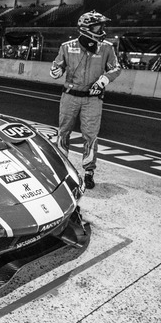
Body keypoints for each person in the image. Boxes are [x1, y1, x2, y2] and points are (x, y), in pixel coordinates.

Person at [49, 10, 121, 190]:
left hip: (93, 99)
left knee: (90, 135)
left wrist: (105, 79)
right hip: (69, 96)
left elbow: (116, 68)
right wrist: (55, 71)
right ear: (85, 28)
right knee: (63, 131)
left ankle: (89, 171)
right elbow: (57, 65)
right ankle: (61, 167)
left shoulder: (107, 48)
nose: (102, 29)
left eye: (102, 25)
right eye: (98, 26)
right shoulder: (67, 46)